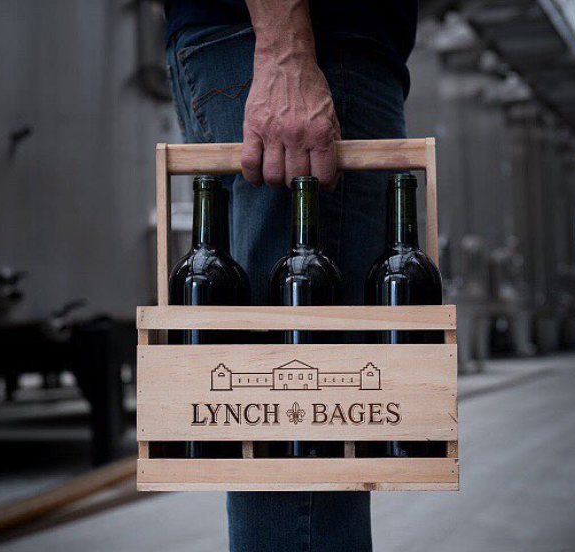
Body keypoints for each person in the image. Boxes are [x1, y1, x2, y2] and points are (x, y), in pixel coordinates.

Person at [164, 1, 418, 550]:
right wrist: (285, 50)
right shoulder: (292, 55)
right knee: (304, 439)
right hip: (306, 50)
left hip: (278, 48)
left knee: (317, 439)